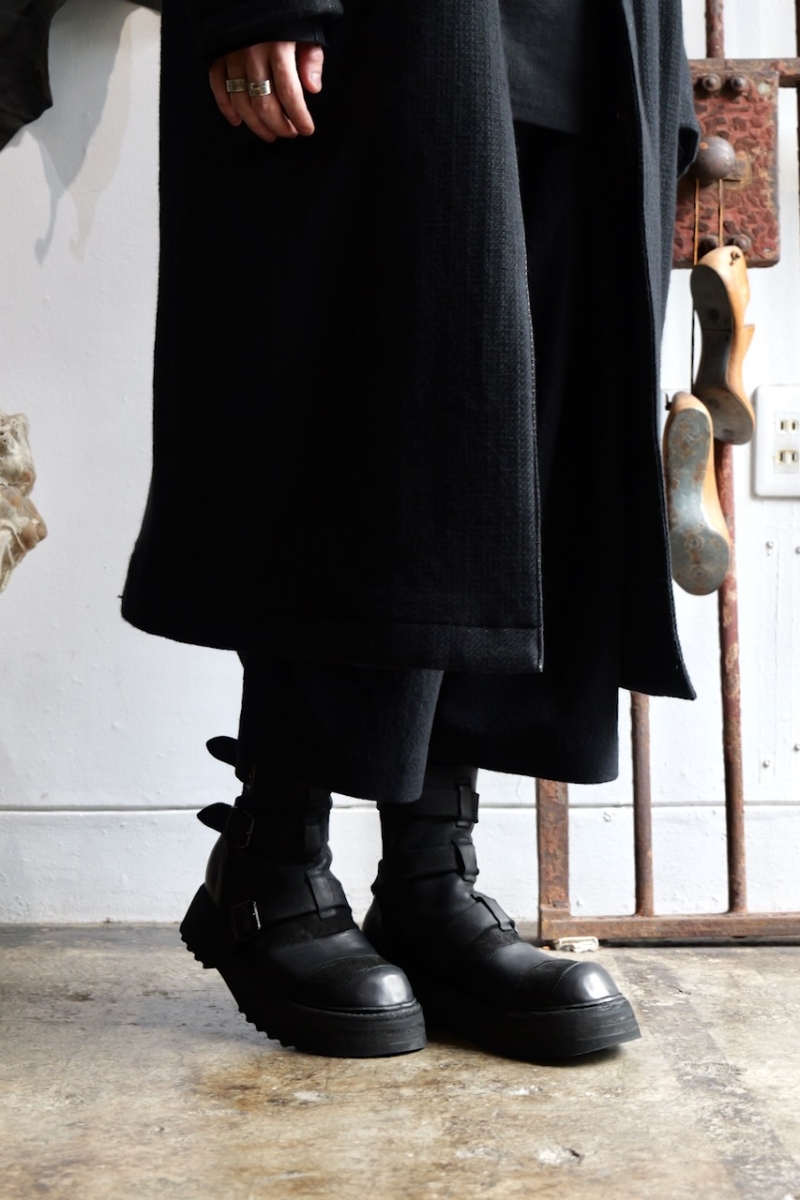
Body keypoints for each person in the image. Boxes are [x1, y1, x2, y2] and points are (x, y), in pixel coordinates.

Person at [122, 0, 700, 1060]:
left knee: (511, 462)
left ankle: (430, 880)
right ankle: (272, 859)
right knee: (343, 411)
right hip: (373, 29)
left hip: (588, 38)